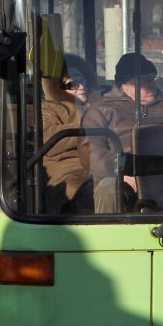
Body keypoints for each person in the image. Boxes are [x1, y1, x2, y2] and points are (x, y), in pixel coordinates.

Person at [79, 52, 163, 213]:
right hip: (122, 177)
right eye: (144, 79)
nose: (151, 83)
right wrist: (127, 171)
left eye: (152, 77)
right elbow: (92, 156)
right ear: (125, 82)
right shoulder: (100, 111)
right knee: (109, 189)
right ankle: (110, 235)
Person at [41, 57, 98, 214]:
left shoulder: (101, 105)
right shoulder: (48, 108)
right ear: (58, 88)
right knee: (78, 190)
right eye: (72, 83)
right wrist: (89, 125)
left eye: (82, 80)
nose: (80, 86)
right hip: (69, 168)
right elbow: (49, 140)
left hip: (104, 164)